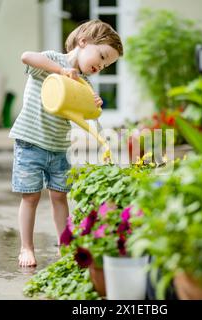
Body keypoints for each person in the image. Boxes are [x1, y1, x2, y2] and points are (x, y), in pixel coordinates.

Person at [9, 20, 123, 267]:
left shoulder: (84, 84)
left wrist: (94, 106)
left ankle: (65, 244)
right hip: (30, 142)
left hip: (58, 146)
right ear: (83, 42)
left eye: (106, 65)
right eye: (102, 56)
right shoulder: (52, 60)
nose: (100, 66)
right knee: (30, 197)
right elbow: (26, 56)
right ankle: (26, 247)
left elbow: (89, 116)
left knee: (60, 197)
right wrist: (61, 71)